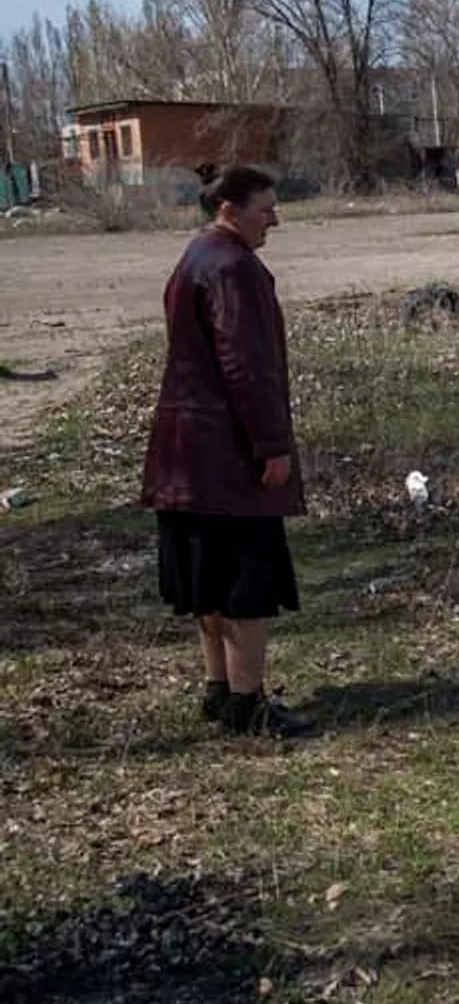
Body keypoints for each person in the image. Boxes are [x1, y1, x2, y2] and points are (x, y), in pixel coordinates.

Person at [142, 164, 315, 738]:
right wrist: (271, 446)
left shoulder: (196, 256)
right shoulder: (234, 267)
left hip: (187, 450)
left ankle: (219, 687)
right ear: (229, 210)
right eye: (265, 209)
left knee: (208, 577)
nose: (275, 219)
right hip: (227, 453)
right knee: (245, 581)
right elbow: (247, 365)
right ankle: (247, 701)